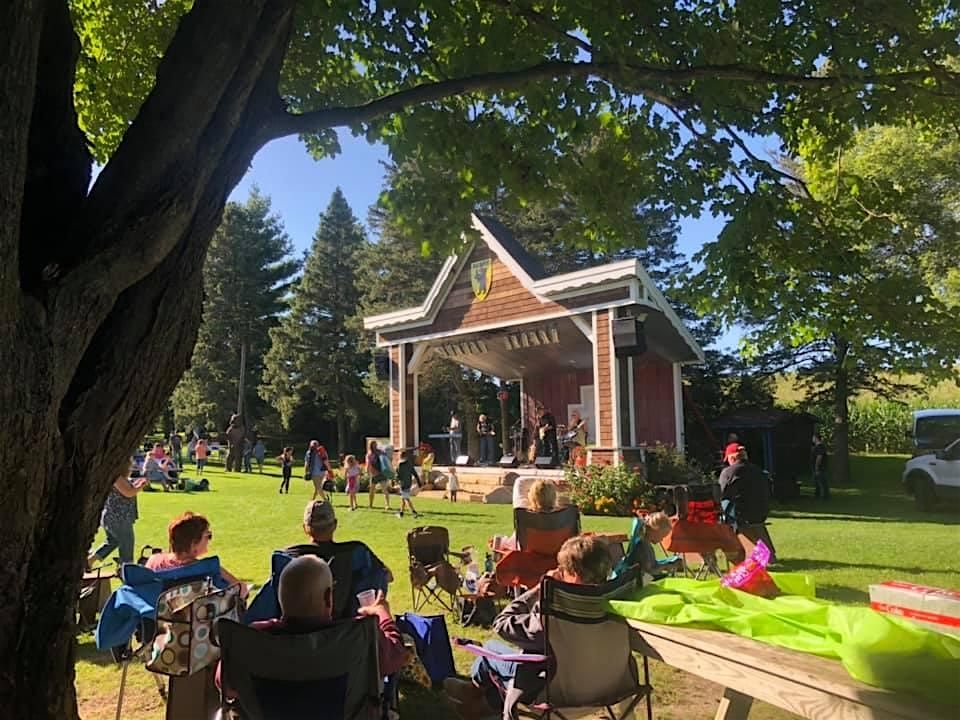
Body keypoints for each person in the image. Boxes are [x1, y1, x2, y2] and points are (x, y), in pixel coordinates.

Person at [444, 535, 613, 717]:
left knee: (489, 650)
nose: (557, 571)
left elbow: (501, 624)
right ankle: (480, 704)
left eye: (562, 569)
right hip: (602, 687)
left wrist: (538, 589)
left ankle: (472, 694)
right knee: (509, 666)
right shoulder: (612, 607)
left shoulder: (557, 614)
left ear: (574, 576)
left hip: (554, 690)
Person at [216, 555, 407, 699]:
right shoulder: (356, 635)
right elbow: (396, 655)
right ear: (328, 598)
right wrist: (382, 614)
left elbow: (225, 685)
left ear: (280, 598)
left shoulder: (254, 638)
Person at [289, 500, 393, 586]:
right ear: (335, 525)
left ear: (305, 528)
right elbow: (387, 576)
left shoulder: (290, 557)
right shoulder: (357, 552)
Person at [145, 511, 248, 598]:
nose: (209, 540)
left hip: (160, 614)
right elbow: (242, 590)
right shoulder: (207, 569)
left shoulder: (153, 562)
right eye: (208, 536)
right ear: (193, 543)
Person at [718, 445, 774, 560]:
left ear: (732, 458)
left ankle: (732, 553)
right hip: (761, 513)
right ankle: (768, 554)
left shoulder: (728, 472)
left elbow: (720, 494)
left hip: (740, 516)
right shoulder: (759, 470)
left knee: (723, 506)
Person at [88, 465, 148, 567]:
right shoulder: (116, 478)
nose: (131, 468)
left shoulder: (119, 478)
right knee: (127, 544)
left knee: (113, 542)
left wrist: (137, 483)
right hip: (118, 517)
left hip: (113, 517)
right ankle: (127, 568)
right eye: (129, 466)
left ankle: (90, 560)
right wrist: (141, 485)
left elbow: (129, 488)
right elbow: (128, 492)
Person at [395, 450, 421, 519]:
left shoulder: (399, 464)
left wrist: (395, 481)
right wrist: (419, 482)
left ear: (400, 456)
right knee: (403, 498)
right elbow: (415, 473)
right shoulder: (409, 463)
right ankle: (401, 513)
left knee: (406, 498)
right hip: (409, 483)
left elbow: (397, 475)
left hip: (403, 484)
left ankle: (414, 512)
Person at [366, 440, 391, 511]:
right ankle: (385, 505)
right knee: (378, 490)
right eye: (375, 445)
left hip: (378, 474)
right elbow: (368, 464)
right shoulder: (377, 453)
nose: (375, 446)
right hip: (378, 474)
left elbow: (369, 465)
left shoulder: (373, 454)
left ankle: (373, 505)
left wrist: (368, 472)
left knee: (378, 490)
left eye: (375, 444)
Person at [811, 434, 829, 500]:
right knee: (817, 483)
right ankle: (818, 496)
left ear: (816, 438)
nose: (812, 439)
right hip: (818, 468)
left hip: (820, 468)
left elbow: (819, 457)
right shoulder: (817, 447)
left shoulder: (820, 447)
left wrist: (816, 467)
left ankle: (824, 497)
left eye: (813, 438)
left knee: (821, 482)